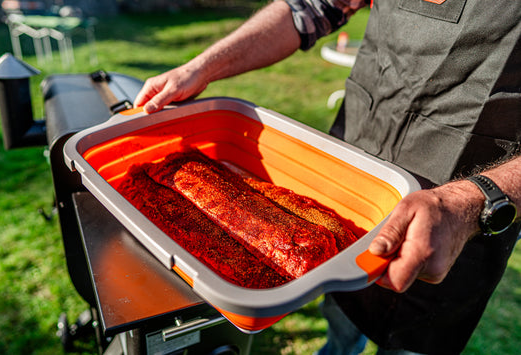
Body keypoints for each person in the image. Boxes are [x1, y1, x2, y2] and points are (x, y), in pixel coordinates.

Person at [134, 0, 521, 354]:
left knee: (414, 340)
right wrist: (200, 67)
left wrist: (474, 200)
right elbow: (310, 8)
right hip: (351, 174)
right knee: (341, 312)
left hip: (471, 207)